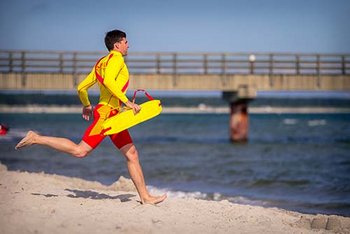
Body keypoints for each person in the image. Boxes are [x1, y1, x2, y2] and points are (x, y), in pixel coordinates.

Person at [15, 29, 167, 205]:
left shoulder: (100, 63)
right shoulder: (116, 59)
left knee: (132, 154)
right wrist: (127, 102)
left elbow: (81, 87)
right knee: (80, 151)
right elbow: (109, 82)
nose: (128, 45)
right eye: (125, 42)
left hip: (113, 116)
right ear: (117, 45)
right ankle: (36, 138)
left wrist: (87, 105)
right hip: (107, 115)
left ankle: (145, 197)